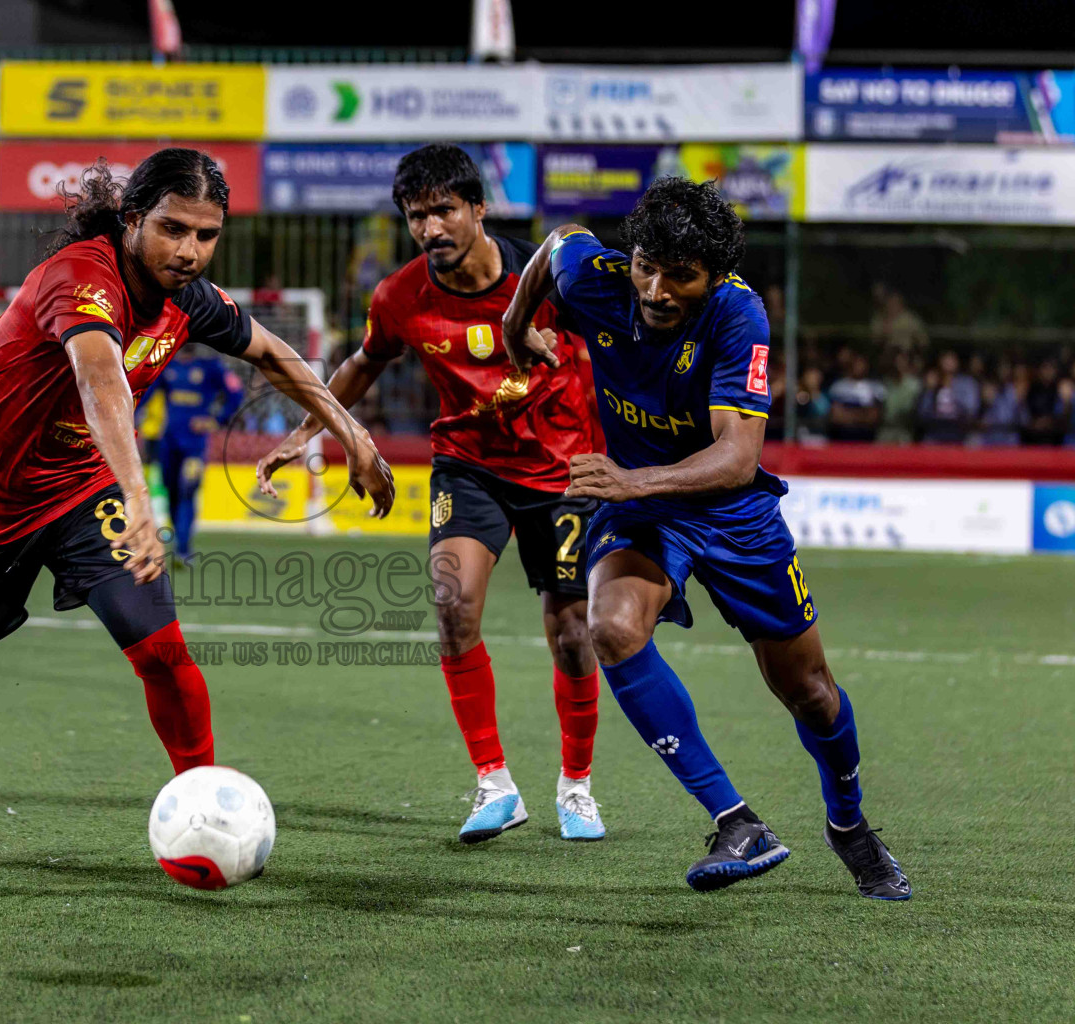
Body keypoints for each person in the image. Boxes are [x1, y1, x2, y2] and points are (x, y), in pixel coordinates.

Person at [0, 150, 395, 860]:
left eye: (206, 235)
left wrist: (353, 432)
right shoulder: (80, 278)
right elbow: (100, 379)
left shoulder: (188, 296)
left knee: (161, 648)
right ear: (131, 221)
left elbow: (274, 355)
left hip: (79, 489)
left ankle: (207, 808)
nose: (189, 252)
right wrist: (140, 493)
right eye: (172, 229)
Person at [503, 177, 910, 900]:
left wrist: (631, 483)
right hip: (646, 511)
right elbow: (553, 246)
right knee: (613, 625)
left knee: (811, 692)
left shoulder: (737, 313)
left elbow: (737, 458)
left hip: (729, 512)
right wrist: (515, 328)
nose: (656, 290)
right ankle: (737, 821)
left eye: (679, 276)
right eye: (645, 266)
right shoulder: (596, 279)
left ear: (713, 276)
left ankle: (849, 826)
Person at [258, 144, 607, 843]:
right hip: (468, 466)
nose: (430, 228)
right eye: (416, 216)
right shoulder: (400, 296)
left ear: (479, 209)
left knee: (572, 635)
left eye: (445, 210)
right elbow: (365, 363)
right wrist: (308, 433)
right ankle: (494, 784)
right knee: (452, 607)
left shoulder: (553, 281)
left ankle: (576, 786)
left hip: (564, 472)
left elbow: (615, 314)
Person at [141, 342, 244, 566]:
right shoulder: (166, 366)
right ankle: (180, 542)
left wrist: (217, 419)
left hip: (194, 445)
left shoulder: (210, 367)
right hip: (168, 441)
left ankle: (183, 550)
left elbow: (236, 393)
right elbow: (146, 393)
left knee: (188, 490)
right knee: (172, 492)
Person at [916, 351, 979, 444]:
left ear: (957, 362)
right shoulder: (932, 383)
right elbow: (922, 413)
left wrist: (952, 390)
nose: (948, 362)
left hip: (958, 434)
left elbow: (971, 409)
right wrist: (929, 390)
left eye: (951, 359)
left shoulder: (967, 383)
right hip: (934, 434)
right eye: (945, 359)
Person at [826, 353, 887, 442]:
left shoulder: (876, 387)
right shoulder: (838, 387)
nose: (858, 367)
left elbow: (873, 417)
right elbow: (836, 416)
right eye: (856, 364)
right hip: (842, 436)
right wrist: (861, 415)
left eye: (861, 364)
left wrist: (848, 415)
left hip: (866, 436)